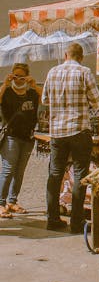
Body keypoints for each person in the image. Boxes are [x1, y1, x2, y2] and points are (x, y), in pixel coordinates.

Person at [42, 42, 99, 233]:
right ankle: (76, 222)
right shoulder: (84, 72)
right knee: (80, 174)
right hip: (78, 129)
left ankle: (53, 219)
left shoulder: (51, 72)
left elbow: (45, 100)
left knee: (55, 173)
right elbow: (96, 101)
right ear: (81, 56)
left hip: (57, 131)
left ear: (66, 55)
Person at [0, 62, 42, 218]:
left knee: (19, 172)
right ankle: (0, 203)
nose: (18, 79)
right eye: (16, 76)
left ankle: (12, 201)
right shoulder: (8, 92)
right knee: (8, 170)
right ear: (12, 75)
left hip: (27, 137)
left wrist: (34, 83)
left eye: (21, 76)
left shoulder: (31, 93)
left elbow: (45, 98)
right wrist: (5, 83)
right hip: (11, 136)